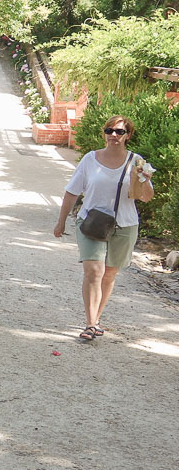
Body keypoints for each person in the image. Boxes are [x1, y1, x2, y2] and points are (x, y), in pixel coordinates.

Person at [52, 115, 154, 341]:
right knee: (94, 271)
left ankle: (95, 320)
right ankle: (90, 324)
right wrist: (61, 221)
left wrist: (145, 180)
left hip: (125, 224)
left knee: (109, 274)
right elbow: (72, 191)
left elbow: (147, 198)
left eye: (119, 132)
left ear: (128, 135)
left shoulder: (136, 162)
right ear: (104, 133)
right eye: (109, 131)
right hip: (92, 222)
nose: (113, 136)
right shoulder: (90, 159)